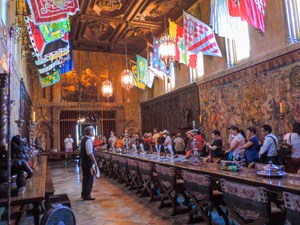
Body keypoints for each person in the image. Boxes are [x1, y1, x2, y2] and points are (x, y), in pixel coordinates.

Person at [80, 126, 98, 201]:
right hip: (88, 163)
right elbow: (89, 152)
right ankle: (87, 195)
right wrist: (94, 161)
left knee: (86, 178)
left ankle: (84, 194)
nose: (93, 132)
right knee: (89, 179)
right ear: (90, 132)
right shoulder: (88, 140)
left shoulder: (84, 139)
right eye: (93, 131)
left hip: (84, 162)